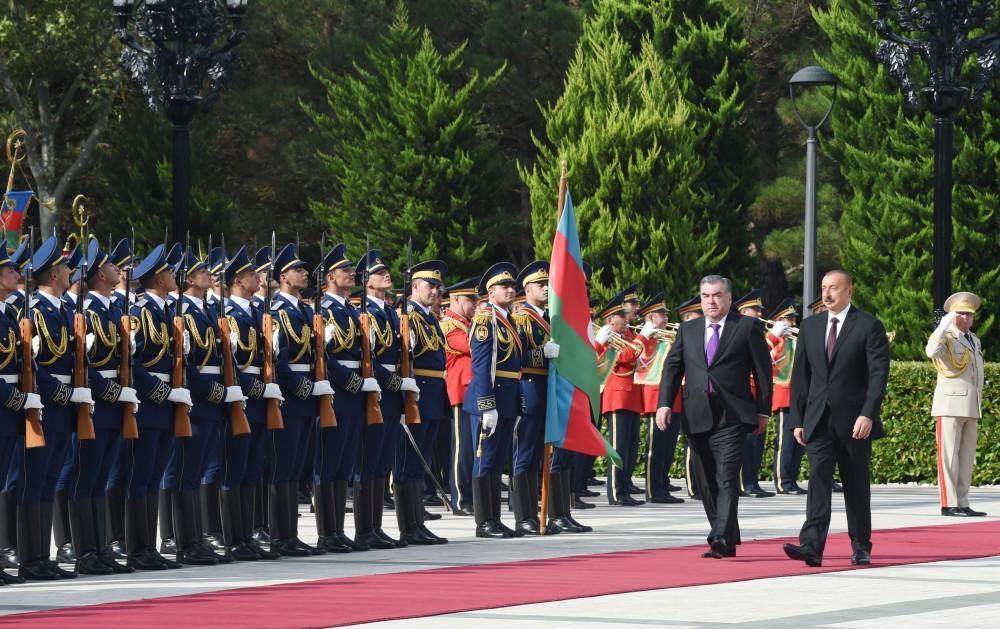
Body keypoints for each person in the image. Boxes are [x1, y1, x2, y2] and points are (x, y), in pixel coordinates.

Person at [656, 275, 772, 559]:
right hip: (697, 413)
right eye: (706, 296)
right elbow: (673, 368)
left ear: (729, 299)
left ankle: (718, 536)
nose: (711, 301)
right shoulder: (688, 329)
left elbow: (763, 370)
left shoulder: (746, 327)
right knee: (705, 481)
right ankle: (728, 537)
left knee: (727, 478)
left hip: (732, 416)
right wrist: (664, 404)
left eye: (717, 295)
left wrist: (762, 410)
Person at [783, 270, 890, 568]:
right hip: (818, 420)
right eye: (823, 288)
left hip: (854, 421)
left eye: (833, 288)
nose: (827, 294)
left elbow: (878, 376)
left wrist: (868, 413)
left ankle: (860, 544)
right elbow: (801, 377)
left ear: (849, 291)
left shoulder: (868, 326)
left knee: (856, 484)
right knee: (818, 478)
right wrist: (798, 419)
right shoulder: (810, 326)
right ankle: (812, 546)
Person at [465, 262, 522, 539]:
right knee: (485, 460)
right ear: (490, 292)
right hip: (490, 399)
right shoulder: (486, 320)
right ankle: (483, 521)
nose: (510, 290)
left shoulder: (508, 319)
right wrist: (487, 405)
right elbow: (481, 364)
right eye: (504, 286)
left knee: (498, 461)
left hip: (508, 397)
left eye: (512, 286)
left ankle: (495, 519)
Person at [394, 259, 448, 545]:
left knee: (420, 461)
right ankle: (408, 526)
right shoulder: (407, 315)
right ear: (414, 287)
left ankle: (418, 521)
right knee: (407, 462)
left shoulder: (429, 317)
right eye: (429, 286)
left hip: (433, 393)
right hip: (416, 392)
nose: (435, 291)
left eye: (437, 287)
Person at [509, 261, 561, 535]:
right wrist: (543, 354)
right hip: (529, 386)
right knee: (526, 453)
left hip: (547, 387)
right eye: (540, 284)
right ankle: (523, 516)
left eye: (546, 284)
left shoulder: (552, 318)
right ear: (527, 289)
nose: (545, 288)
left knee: (542, 454)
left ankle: (538, 514)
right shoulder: (521, 319)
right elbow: (514, 358)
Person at [926, 292, 986, 517]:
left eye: (969, 314)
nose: (966, 317)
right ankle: (949, 503)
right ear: (952, 315)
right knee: (949, 457)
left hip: (971, 405)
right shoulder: (946, 337)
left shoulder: (974, 339)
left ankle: (962, 501)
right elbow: (931, 351)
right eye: (961, 313)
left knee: (966, 457)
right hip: (950, 405)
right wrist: (942, 327)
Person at [595, 289, 649, 506]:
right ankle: (616, 493)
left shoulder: (627, 335)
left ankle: (624, 488)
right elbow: (626, 356)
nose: (627, 320)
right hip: (617, 397)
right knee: (618, 448)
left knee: (630, 446)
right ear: (610, 319)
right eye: (622, 317)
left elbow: (640, 354)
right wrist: (643, 337)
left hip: (631, 396)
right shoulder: (608, 336)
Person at [637, 294, 683, 504]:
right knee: (655, 448)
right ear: (649, 318)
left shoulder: (667, 337)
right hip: (654, 398)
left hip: (674, 398)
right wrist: (645, 337)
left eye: (665, 315)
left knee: (668, 446)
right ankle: (653, 490)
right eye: (660, 315)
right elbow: (637, 362)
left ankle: (662, 485)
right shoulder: (644, 339)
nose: (665, 319)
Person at [441, 278, 478, 516]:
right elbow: (473, 346)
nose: (475, 303)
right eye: (470, 299)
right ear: (455, 300)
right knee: (462, 449)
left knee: (475, 448)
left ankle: (472, 496)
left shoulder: (469, 323)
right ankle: (460, 498)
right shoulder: (450, 325)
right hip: (461, 391)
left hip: (474, 390)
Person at [767, 298, 805, 495]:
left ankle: (792, 478)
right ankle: (783, 481)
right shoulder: (775, 339)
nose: (792, 323)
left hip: (801, 397)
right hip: (783, 396)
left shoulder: (797, 340)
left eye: (793, 319)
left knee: (799, 443)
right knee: (786, 442)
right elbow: (766, 360)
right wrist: (775, 336)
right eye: (787, 320)